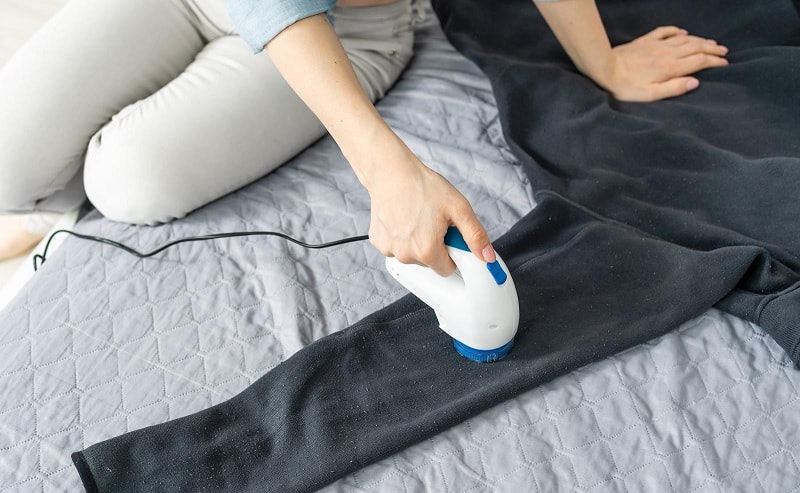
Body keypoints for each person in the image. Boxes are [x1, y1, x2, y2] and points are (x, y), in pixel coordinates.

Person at [0, 0, 728, 275]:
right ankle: (41, 205)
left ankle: (61, 206)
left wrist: (602, 59)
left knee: (129, 182)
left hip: (347, 27)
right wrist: (389, 172)